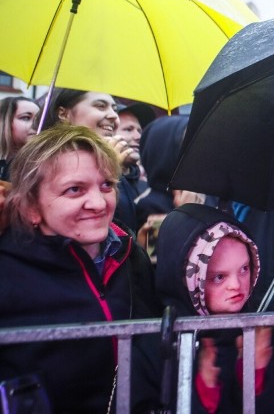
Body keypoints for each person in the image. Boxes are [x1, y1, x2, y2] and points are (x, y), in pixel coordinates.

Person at [0, 125, 160, 413]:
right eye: (75, 190)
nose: (99, 203)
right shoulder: (7, 269)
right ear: (31, 207)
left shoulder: (129, 255)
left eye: (106, 185)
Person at [141, 203, 274, 413]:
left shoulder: (260, 338)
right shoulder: (157, 347)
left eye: (244, 269)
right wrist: (201, 398)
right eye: (219, 277)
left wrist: (259, 380)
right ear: (188, 281)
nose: (236, 286)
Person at [42, 88, 141, 229]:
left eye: (114, 109)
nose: (114, 116)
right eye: (101, 106)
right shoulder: (42, 163)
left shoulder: (114, 162)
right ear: (63, 114)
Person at [0, 96, 38, 181]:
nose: (36, 124)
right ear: (5, 122)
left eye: (38, 119)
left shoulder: (38, 164)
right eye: (26, 118)